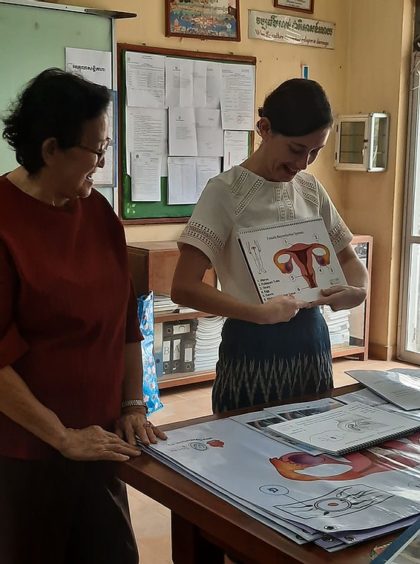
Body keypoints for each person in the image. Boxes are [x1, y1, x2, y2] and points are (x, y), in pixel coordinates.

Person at [0, 68, 166, 564]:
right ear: (51, 149)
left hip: (100, 441)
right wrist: (62, 437)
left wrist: (133, 404)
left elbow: (125, 319)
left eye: (106, 146)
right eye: (96, 150)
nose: (103, 162)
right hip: (26, 453)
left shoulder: (97, 212)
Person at [171, 78, 368, 414]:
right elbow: (183, 287)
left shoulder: (310, 189)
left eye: (315, 152)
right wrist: (258, 314)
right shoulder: (225, 192)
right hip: (252, 346)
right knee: (245, 441)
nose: (303, 163)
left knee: (315, 441)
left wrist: (357, 291)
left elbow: (350, 260)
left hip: (312, 345)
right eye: (296, 149)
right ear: (264, 128)